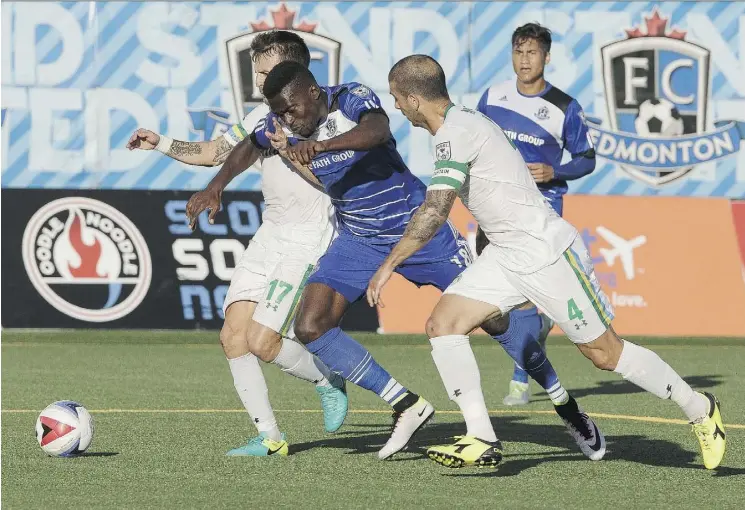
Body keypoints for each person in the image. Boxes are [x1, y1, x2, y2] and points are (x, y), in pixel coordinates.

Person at [223, 60, 604, 462]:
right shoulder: (285, 125)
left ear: (312, 92)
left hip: (418, 230)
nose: (286, 119)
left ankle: (565, 405)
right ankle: (405, 404)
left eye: (290, 110)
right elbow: (251, 147)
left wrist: (322, 145)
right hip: (360, 237)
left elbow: (377, 131)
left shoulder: (350, 98)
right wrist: (216, 187)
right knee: (310, 326)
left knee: (493, 319)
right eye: (279, 114)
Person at [368, 54, 726, 471]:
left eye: (396, 98)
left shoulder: (456, 131)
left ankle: (700, 408)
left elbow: (436, 208)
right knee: (443, 324)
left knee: (605, 354)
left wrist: (389, 264)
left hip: (546, 253)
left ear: (413, 98)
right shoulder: (460, 125)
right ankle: (481, 436)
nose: (395, 106)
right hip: (506, 254)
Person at [126, 31, 347, 457]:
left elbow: (341, 180)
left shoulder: (334, 117)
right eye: (257, 74)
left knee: (264, 342)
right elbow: (214, 152)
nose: (260, 84)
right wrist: (162, 143)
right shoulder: (260, 119)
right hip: (270, 236)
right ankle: (270, 438)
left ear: (296, 72)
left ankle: (326, 378)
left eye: (266, 73)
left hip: (310, 240)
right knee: (233, 337)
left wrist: (293, 150)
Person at [476, 23, 597, 406]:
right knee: (502, 297)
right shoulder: (492, 97)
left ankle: (519, 380)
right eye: (518, 51)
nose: (524, 60)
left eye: (532, 53)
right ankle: (537, 333)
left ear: (546, 57)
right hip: (495, 208)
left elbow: (586, 159)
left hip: (541, 210)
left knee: (525, 291)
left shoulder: (564, 107)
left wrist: (554, 171)